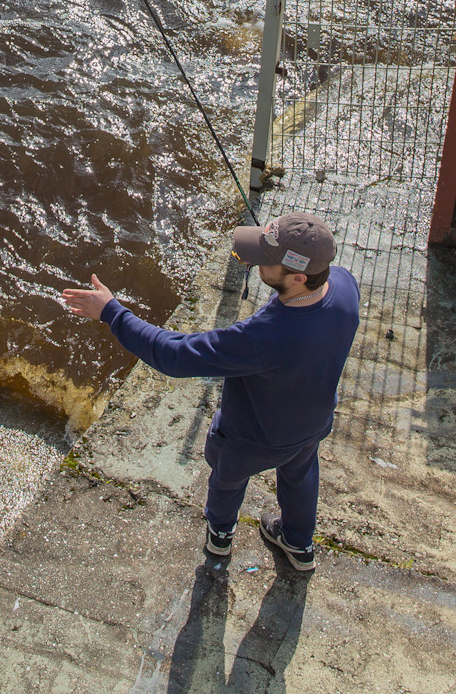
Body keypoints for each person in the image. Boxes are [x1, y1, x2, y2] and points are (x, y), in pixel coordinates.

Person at [58, 211, 359, 572]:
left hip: (249, 438)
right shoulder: (344, 286)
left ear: (297, 277)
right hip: (312, 424)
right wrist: (267, 260)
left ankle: (219, 536)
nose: (256, 262)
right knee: (301, 478)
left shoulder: (262, 338)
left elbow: (174, 355)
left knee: (226, 481)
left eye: (265, 261)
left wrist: (112, 312)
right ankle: (298, 544)